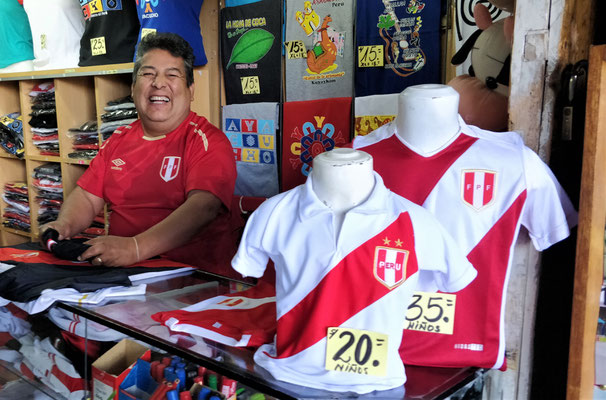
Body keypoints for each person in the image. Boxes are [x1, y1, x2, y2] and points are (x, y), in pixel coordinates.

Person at [40, 32, 237, 269]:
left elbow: (203, 207)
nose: (158, 83)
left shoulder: (207, 141)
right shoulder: (118, 140)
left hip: (192, 277)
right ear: (133, 88)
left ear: (191, 90)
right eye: (148, 74)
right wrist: (64, 225)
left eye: (172, 75)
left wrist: (135, 247)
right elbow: (87, 197)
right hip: (122, 273)